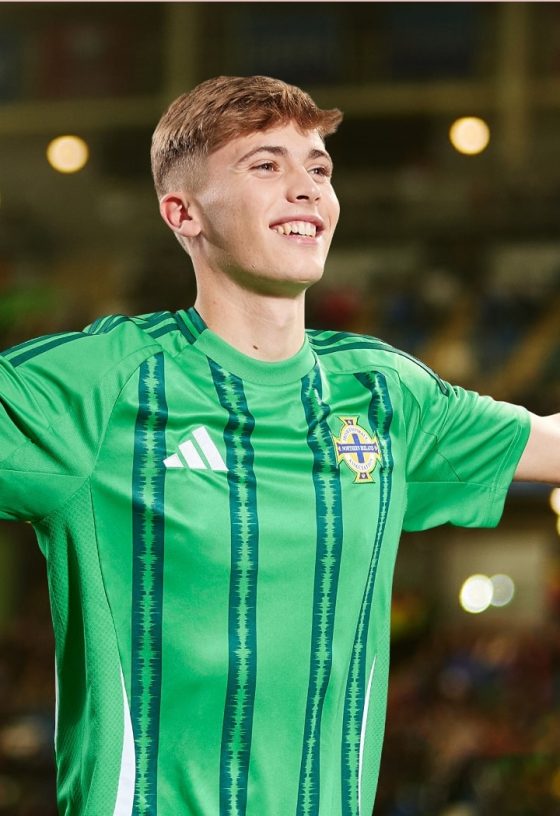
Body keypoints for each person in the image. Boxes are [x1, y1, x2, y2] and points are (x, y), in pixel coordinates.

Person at [0, 75, 558, 816]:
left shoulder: (383, 393)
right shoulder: (96, 384)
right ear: (183, 212)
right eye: (266, 165)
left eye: (319, 168)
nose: (307, 188)